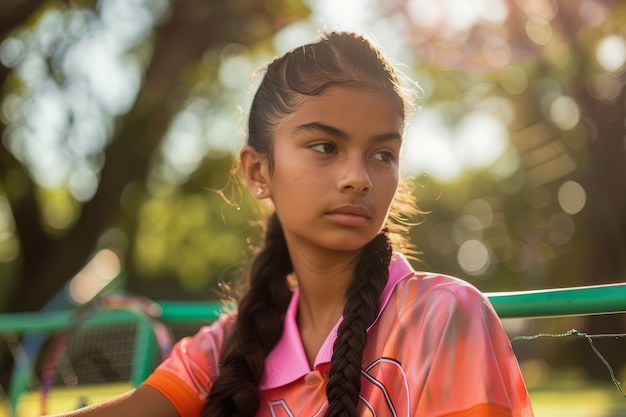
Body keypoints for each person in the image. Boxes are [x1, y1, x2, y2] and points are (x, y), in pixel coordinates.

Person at [48, 31, 533, 417]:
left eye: (383, 154)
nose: (357, 178)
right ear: (259, 171)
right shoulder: (226, 348)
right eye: (325, 146)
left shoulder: (444, 317)